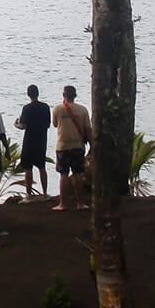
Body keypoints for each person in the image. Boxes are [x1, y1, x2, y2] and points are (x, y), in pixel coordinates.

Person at [52, 84, 92, 212]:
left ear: (64, 95)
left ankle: (63, 204)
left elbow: (55, 124)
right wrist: (92, 146)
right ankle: (80, 203)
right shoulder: (83, 110)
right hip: (78, 146)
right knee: (78, 174)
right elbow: (88, 130)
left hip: (62, 146)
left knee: (63, 174)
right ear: (75, 95)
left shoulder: (58, 109)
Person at [14, 85, 51, 199]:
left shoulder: (27, 108)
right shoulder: (45, 107)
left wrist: (16, 124)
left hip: (29, 141)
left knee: (28, 168)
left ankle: (29, 194)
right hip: (41, 140)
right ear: (38, 93)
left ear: (28, 94)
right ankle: (45, 193)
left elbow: (23, 126)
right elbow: (48, 124)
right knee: (42, 167)